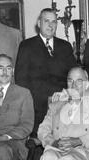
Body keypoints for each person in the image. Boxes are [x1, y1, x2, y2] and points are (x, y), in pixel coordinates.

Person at [15, 8, 76, 139]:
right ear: (38, 23)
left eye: (54, 22)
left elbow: (74, 76)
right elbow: (21, 80)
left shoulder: (65, 46)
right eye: (46, 21)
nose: (50, 25)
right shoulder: (26, 46)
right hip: (37, 108)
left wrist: (66, 95)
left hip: (62, 106)